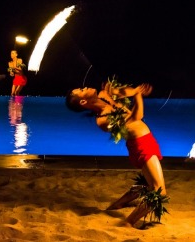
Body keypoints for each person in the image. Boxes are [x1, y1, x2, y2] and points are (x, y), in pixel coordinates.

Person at [66, 80, 168, 228]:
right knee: (159, 192)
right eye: (82, 89)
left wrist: (129, 91)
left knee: (147, 183)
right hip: (141, 146)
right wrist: (138, 95)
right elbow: (137, 116)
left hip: (148, 140)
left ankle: (119, 203)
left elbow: (124, 92)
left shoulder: (104, 95)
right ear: (83, 101)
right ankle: (128, 222)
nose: (86, 86)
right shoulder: (103, 120)